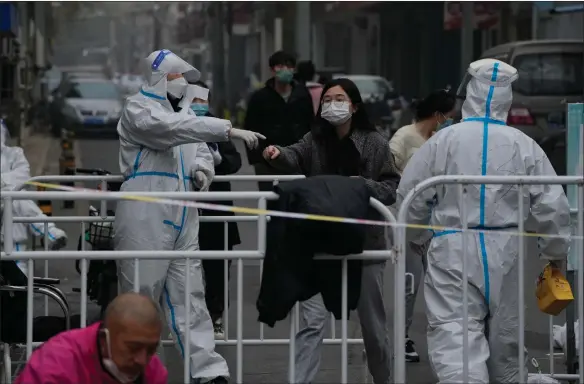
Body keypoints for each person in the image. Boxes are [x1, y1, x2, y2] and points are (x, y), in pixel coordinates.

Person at [396, 58, 571, 383]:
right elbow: (553, 205)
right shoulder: (524, 145)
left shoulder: (443, 141)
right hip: (506, 250)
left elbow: (412, 194)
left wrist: (415, 236)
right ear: (508, 97)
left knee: (454, 336)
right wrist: (554, 254)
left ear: (470, 92)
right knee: (505, 345)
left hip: (452, 249)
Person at [114, 49, 264, 384]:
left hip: (182, 212)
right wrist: (226, 130)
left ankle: (209, 372)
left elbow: (197, 148)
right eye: (175, 76)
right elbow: (171, 130)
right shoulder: (139, 109)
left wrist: (202, 169)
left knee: (190, 297)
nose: (182, 83)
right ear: (157, 78)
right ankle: (133, 369)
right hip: (145, 210)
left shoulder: (183, 112)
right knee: (140, 295)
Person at [263, 78, 400, 384]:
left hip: (363, 245)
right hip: (318, 244)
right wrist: (275, 153)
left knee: (373, 329)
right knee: (310, 323)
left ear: (354, 105)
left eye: (339, 99)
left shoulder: (375, 143)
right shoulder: (314, 140)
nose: (332, 105)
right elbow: (293, 154)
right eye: (326, 100)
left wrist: (360, 187)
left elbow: (391, 187)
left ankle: (384, 379)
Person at [388, 89, 456, 362]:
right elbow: (387, 172)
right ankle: (400, 338)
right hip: (407, 222)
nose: (451, 121)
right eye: (449, 117)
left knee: (445, 285)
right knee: (409, 284)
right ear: (438, 115)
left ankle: (448, 337)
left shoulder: (446, 139)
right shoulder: (404, 137)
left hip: (438, 223)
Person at [14, 293, 167, 384]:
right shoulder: (54, 365)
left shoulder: (153, 370)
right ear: (103, 338)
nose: (142, 360)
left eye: (151, 349)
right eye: (133, 348)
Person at [191, 80, 242, 339]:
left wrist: (219, 160)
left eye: (203, 101)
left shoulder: (219, 127)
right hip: (186, 208)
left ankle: (216, 316)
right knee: (183, 266)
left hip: (217, 208)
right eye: (194, 100)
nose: (199, 106)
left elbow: (236, 161)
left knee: (218, 266)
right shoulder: (175, 126)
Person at [1, 121, 67, 277]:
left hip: (10, 212)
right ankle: (49, 232)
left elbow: (23, 176)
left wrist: (3, 183)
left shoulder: (14, 154)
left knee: (16, 200)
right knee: (17, 198)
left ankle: (49, 233)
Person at [243, 50, 315, 191]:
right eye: (280, 66)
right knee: (271, 202)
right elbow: (250, 127)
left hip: (298, 158)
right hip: (268, 160)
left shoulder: (302, 95)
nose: (285, 70)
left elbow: (310, 124)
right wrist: (257, 159)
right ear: (272, 70)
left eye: (289, 67)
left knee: (296, 201)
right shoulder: (260, 97)